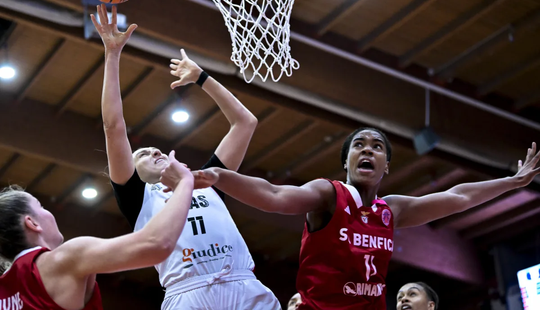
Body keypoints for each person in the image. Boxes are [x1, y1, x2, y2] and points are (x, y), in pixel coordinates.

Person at [193, 127, 540, 309]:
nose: (368, 149)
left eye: (377, 147)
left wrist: (512, 182)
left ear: (386, 165)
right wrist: (220, 177)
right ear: (346, 161)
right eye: (359, 144)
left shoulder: (392, 210)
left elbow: (457, 197)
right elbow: (274, 195)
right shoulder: (329, 195)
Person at [92, 4, 280, 309]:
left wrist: (202, 77)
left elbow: (246, 123)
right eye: (142, 153)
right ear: (132, 171)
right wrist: (112, 54)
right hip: (188, 293)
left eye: (157, 148)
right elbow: (113, 127)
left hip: (243, 285)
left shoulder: (207, 180)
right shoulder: (138, 197)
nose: (154, 150)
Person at [0, 152, 194, 309]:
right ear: (32, 223)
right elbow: (157, 244)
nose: (48, 212)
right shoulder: (65, 257)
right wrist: (184, 182)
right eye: (41, 206)